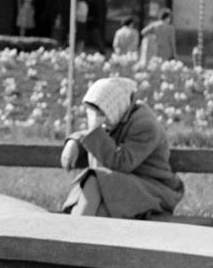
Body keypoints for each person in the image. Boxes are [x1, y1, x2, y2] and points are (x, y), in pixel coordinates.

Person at [58, 76, 185, 219]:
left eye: (100, 113)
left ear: (113, 107)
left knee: (94, 178)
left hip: (152, 189)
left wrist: (94, 128)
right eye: (93, 113)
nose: (98, 119)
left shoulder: (145, 124)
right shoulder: (117, 116)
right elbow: (95, 136)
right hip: (121, 188)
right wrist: (74, 142)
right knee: (99, 212)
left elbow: (120, 164)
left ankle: (71, 233)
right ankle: (73, 234)